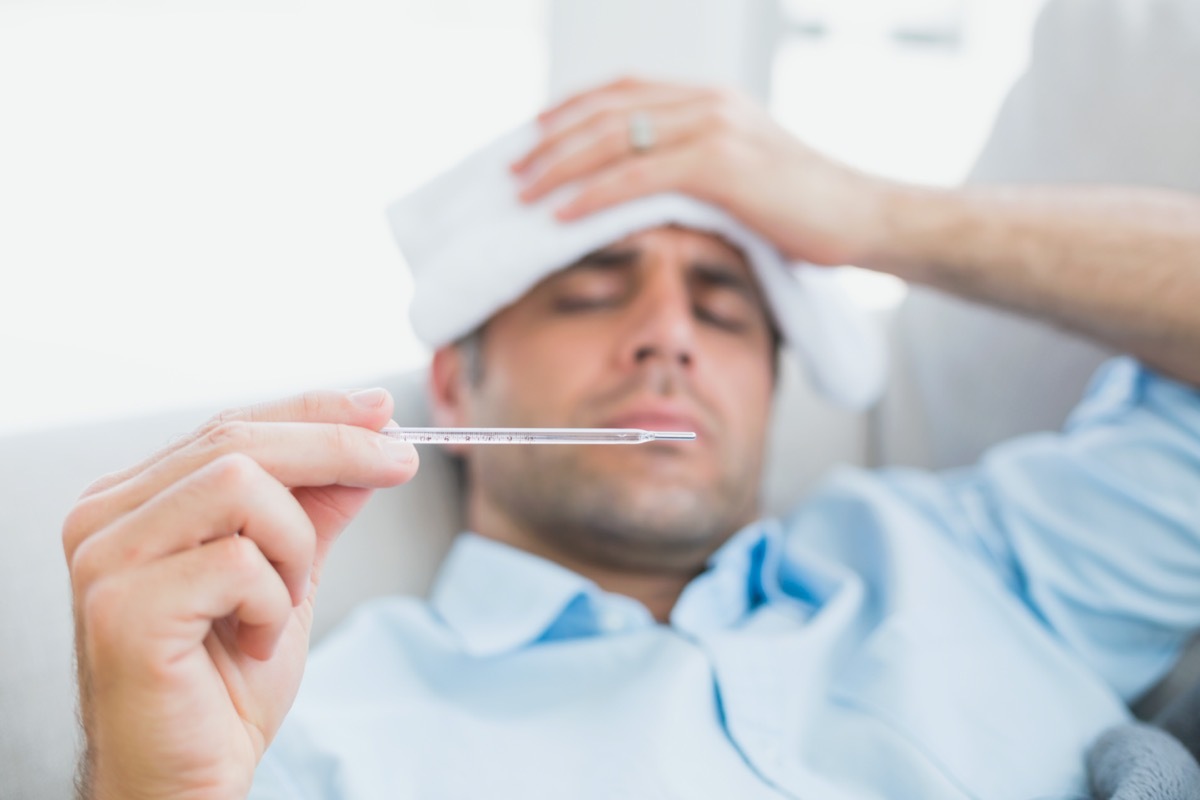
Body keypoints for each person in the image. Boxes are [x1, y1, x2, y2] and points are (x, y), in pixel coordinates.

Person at [62, 78, 1200, 799]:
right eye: (594, 291)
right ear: (455, 384)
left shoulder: (987, 556)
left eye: (721, 303)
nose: (668, 335)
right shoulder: (301, 736)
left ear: (772, 385)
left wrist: (874, 217)